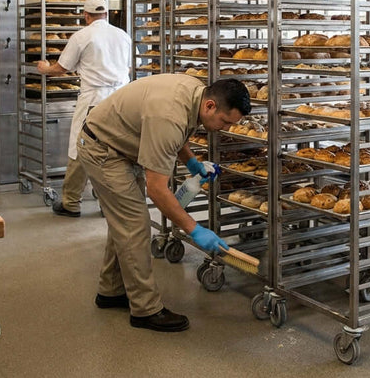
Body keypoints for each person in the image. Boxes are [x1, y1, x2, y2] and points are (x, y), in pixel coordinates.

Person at [76, 76, 251, 332]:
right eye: (224, 122)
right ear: (211, 105)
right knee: (135, 224)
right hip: (104, 151)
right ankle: (145, 310)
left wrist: (191, 162)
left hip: (123, 147)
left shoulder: (195, 94)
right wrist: (194, 229)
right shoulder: (169, 115)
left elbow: (177, 134)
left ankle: (111, 291)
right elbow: (157, 190)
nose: (224, 128)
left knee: (126, 223)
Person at [36, 0, 131, 218]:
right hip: (121, 100)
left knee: (81, 146)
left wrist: (44, 68)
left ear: (86, 16)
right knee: (115, 150)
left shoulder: (82, 36)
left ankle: (71, 202)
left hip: (94, 101)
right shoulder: (123, 36)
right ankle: (109, 203)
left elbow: (61, 69)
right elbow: (126, 68)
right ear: (106, 14)